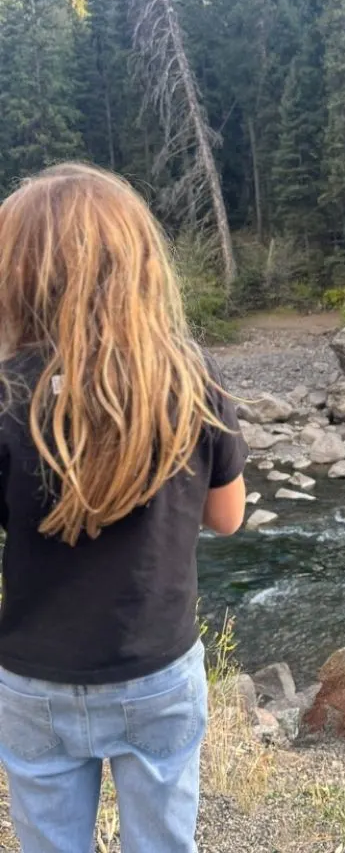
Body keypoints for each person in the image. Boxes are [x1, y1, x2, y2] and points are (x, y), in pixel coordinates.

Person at [0, 164, 248, 853]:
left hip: (34, 675)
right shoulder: (191, 374)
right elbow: (227, 518)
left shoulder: (6, 394)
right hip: (154, 667)